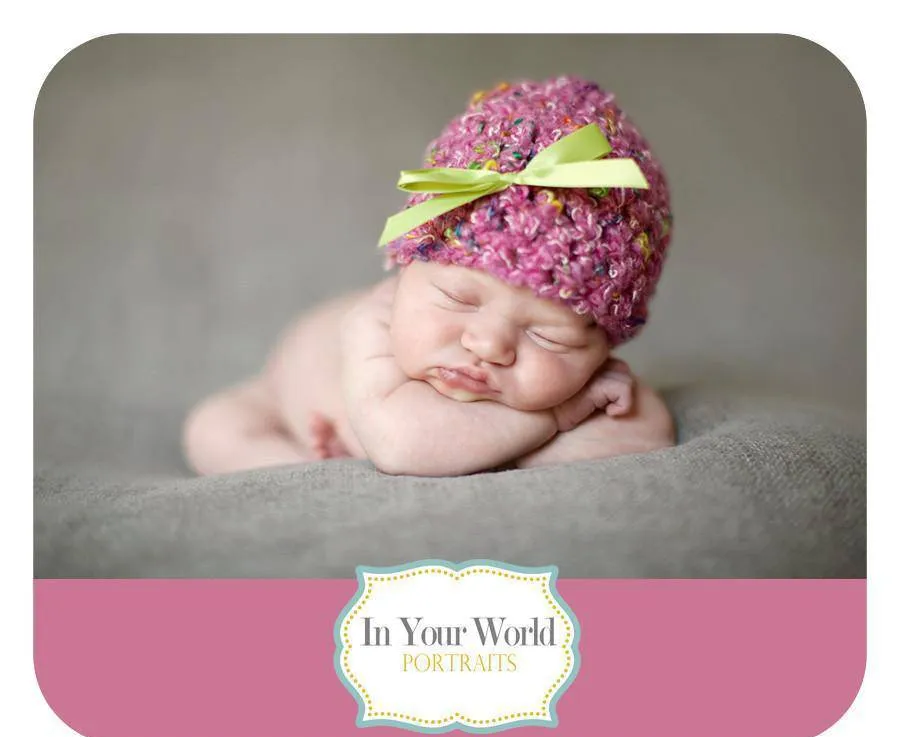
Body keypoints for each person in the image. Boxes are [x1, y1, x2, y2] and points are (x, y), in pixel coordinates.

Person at [183, 75, 676, 477]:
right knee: (213, 430)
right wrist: (553, 417)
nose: (487, 344)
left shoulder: (591, 381)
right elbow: (405, 446)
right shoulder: (374, 323)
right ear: (407, 271)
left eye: (545, 335)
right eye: (458, 298)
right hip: (283, 402)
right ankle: (302, 473)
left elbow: (643, 436)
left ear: (604, 347)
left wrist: (550, 431)